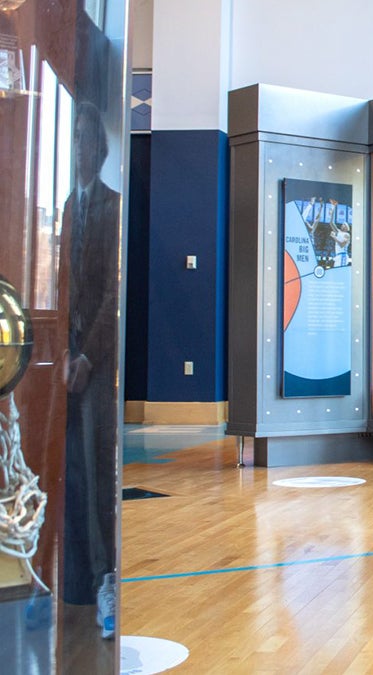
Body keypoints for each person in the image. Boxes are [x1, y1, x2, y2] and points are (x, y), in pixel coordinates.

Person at [62, 101, 121, 640]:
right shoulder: (66, 209)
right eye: (73, 138)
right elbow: (59, 289)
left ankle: (107, 579)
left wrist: (86, 358)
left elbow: (111, 294)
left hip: (96, 365)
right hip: (63, 359)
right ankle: (71, 579)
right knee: (69, 472)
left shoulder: (112, 207)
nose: (79, 147)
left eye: (85, 139)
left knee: (98, 470)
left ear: (97, 149)